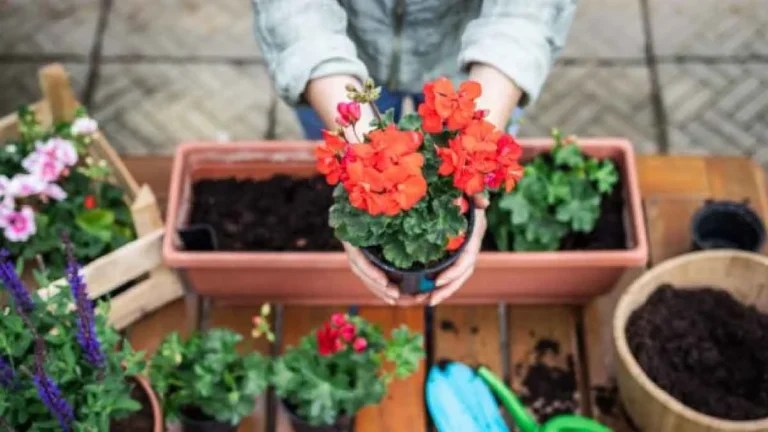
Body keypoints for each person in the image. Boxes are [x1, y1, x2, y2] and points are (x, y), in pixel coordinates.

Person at [252, 0, 577, 305]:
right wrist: (359, 158)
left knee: (468, 154)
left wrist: (477, 144)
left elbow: (530, 10)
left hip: (475, 65)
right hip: (335, 61)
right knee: (340, 149)